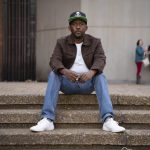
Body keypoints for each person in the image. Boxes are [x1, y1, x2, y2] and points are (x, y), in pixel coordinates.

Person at [30, 11, 125, 133]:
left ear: (86, 27)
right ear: (69, 27)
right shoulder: (61, 42)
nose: (78, 26)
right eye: (74, 24)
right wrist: (65, 71)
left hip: (87, 84)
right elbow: (54, 60)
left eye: (81, 24)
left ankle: (108, 120)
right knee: (54, 74)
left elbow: (101, 59)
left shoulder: (95, 42)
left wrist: (91, 73)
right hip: (68, 84)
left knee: (100, 76)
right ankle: (47, 119)